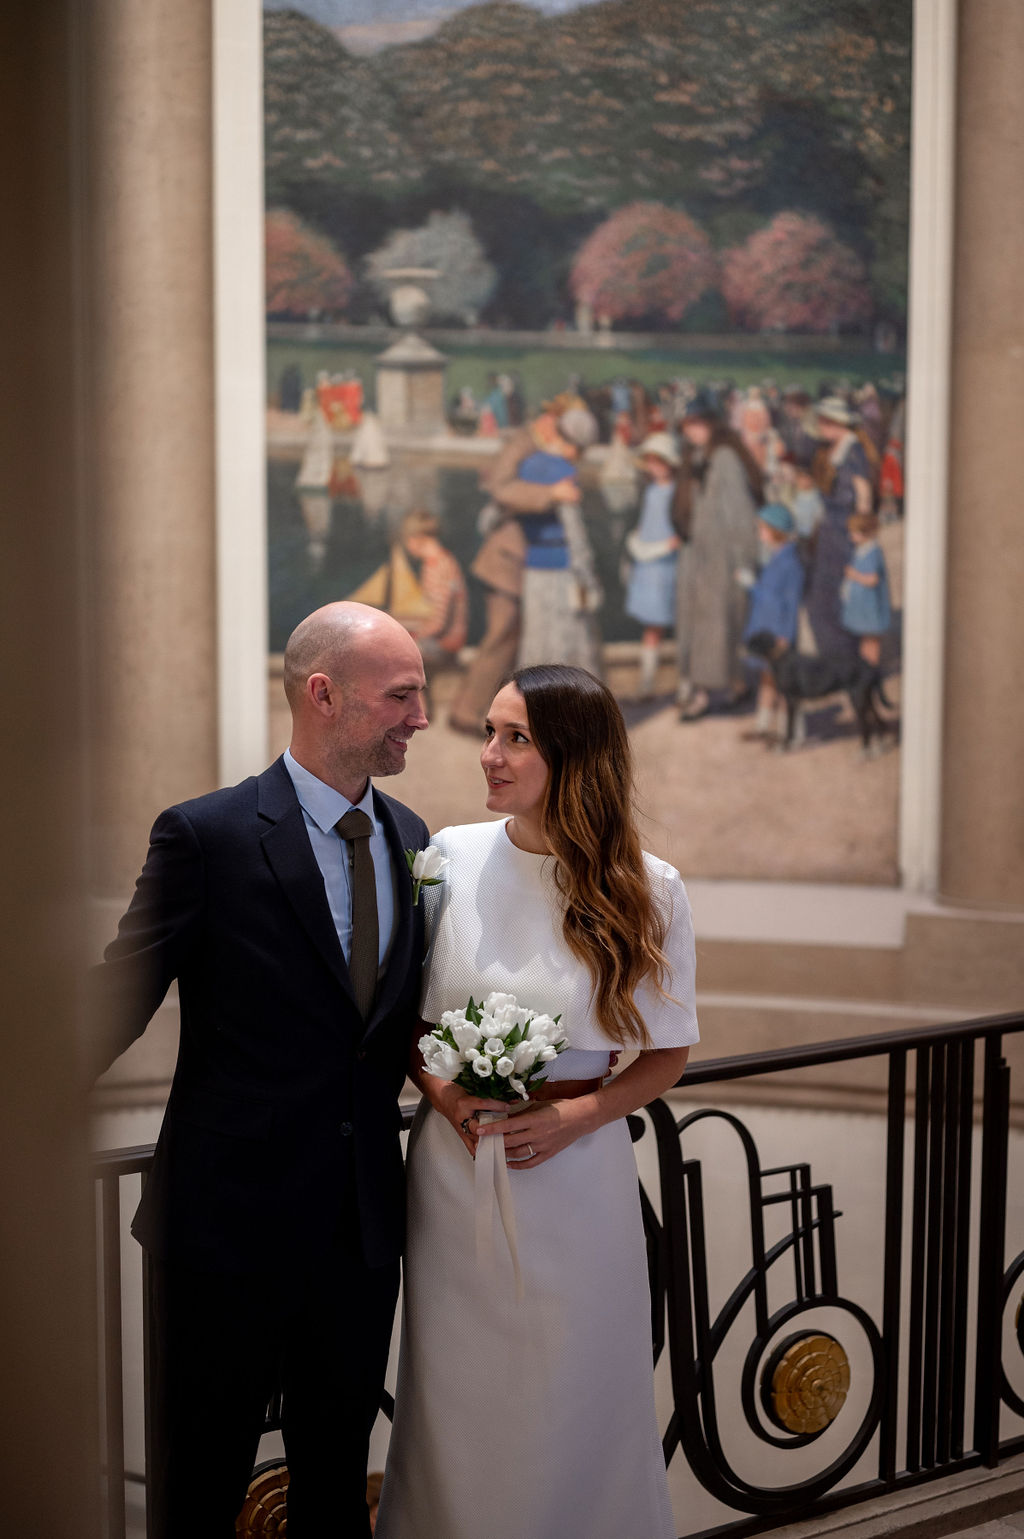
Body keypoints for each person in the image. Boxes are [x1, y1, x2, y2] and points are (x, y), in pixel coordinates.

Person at [88, 602, 431, 1539]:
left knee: (335, 1486)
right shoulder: (208, 835)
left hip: (361, 1231)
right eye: (401, 694)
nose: (422, 716)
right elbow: (117, 995)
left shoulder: (414, 836)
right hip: (223, 1229)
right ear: (324, 694)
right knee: (199, 1485)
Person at [375, 664, 699, 1539]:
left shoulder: (649, 885)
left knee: (575, 1386)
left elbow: (667, 1053)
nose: (490, 754)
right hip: (452, 1176)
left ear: (575, 755)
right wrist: (443, 1096)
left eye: (516, 737)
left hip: (579, 1180)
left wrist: (576, 1116)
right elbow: (403, 1019)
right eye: (488, 731)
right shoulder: (445, 856)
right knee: (458, 1390)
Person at [674, 394, 764, 721]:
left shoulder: (724, 458)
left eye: (697, 424)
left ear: (712, 425)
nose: (692, 431)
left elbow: (740, 513)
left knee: (718, 625)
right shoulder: (696, 455)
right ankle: (729, 687)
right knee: (706, 624)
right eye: (687, 425)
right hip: (698, 555)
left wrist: (744, 561)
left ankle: (706, 694)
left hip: (722, 557)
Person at [805, 395, 876, 658]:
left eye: (825, 420)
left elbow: (863, 496)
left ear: (838, 422)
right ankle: (835, 655)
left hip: (843, 532)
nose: (821, 425)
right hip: (831, 531)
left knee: (832, 598)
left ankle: (841, 657)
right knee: (824, 598)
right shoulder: (835, 450)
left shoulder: (853, 451)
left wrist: (860, 534)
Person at [624, 430, 685, 700]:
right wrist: (637, 540)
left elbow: (677, 533)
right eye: (650, 461)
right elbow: (645, 524)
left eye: (660, 461)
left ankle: (686, 685)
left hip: (669, 565)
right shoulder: (650, 491)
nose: (655, 467)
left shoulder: (678, 492)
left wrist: (665, 545)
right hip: (648, 567)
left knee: (681, 623)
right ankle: (647, 682)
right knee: (652, 626)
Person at [738, 502, 806, 741]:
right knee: (767, 677)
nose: (760, 533)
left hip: (777, 633)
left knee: (785, 683)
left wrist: (785, 637)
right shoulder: (777, 557)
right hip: (766, 628)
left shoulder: (790, 563)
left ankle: (791, 730)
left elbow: (788, 603)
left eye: (763, 529)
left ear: (776, 531)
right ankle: (763, 724)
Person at [841, 510, 892, 666]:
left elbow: (872, 579)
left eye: (854, 533)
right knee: (865, 638)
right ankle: (865, 668)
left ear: (867, 533)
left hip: (871, 604)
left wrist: (854, 575)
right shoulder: (862, 549)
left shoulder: (872, 552)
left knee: (871, 640)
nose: (851, 536)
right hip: (863, 604)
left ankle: (871, 669)